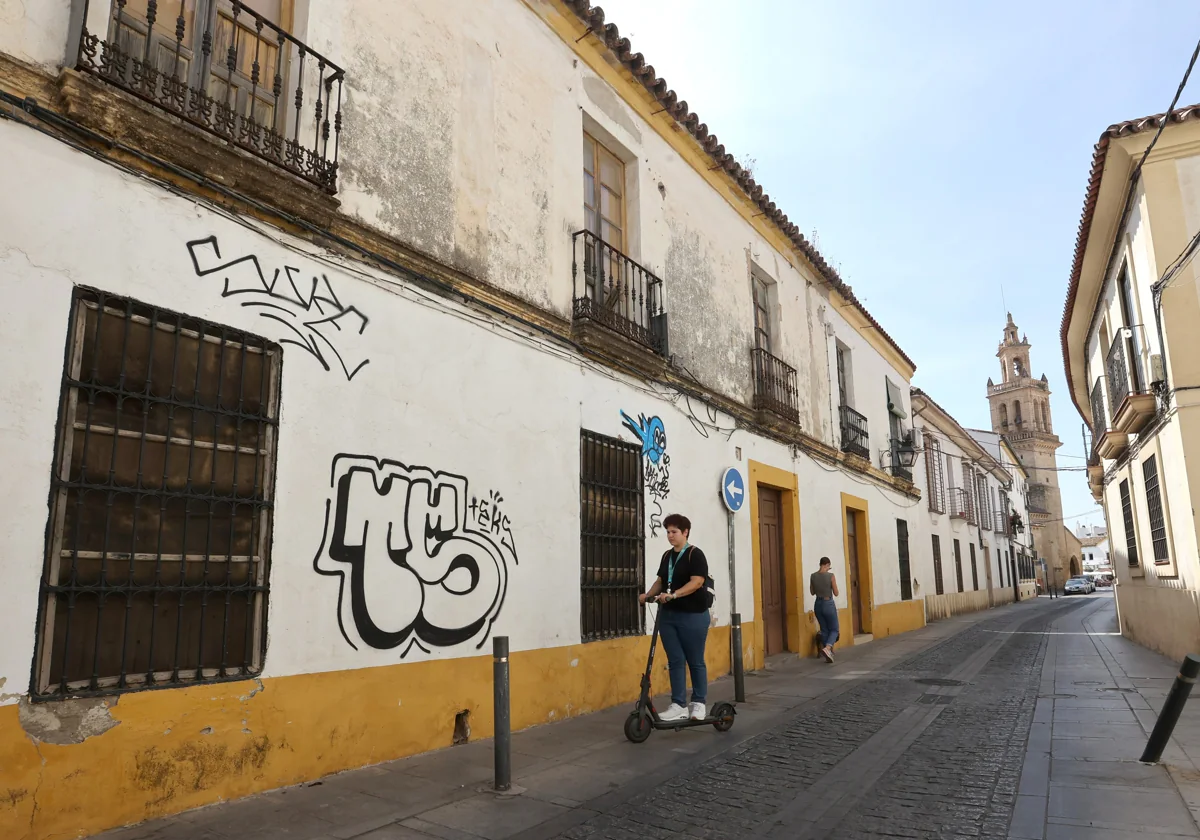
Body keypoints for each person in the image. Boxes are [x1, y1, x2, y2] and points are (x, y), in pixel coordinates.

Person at [639, 513, 710, 721]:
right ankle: (678, 705)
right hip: (668, 616)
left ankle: (698, 703)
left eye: (674, 532)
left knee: (695, 660)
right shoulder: (667, 556)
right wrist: (648, 595)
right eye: (668, 532)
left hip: (693, 616)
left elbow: (697, 582)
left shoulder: (695, 555)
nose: (670, 536)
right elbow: (661, 580)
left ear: (685, 532)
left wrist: (674, 594)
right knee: (675, 660)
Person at [810, 556, 840, 663]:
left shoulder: (813, 576)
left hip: (817, 604)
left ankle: (828, 656)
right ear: (827, 565)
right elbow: (836, 593)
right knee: (834, 629)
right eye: (829, 567)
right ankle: (828, 648)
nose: (829, 569)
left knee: (824, 630)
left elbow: (812, 592)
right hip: (828, 603)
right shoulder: (831, 576)